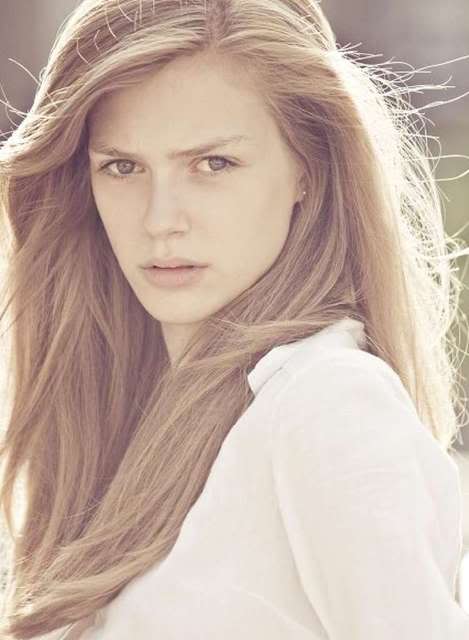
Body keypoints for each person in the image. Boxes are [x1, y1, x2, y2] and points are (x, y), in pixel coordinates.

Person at [0, 0, 468, 638]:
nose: (161, 219)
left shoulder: (327, 404)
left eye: (213, 164)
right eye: (122, 167)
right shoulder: (116, 422)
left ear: (309, 169)